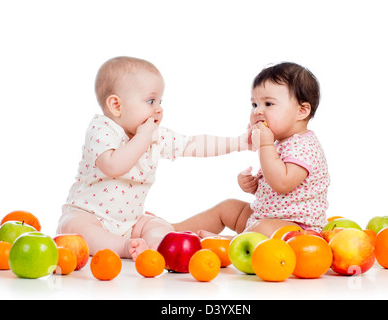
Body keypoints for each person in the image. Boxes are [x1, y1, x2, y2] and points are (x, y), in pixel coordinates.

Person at [57, 56, 250, 259]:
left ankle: (158, 246)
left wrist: (239, 143)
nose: (158, 109)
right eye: (150, 101)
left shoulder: (154, 136)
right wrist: (143, 137)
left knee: (157, 224)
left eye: (160, 101)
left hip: (130, 223)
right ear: (116, 105)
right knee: (74, 226)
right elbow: (114, 166)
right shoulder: (102, 130)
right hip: (89, 216)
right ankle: (123, 247)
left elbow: (193, 144)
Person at [174, 62, 330, 238]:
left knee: (263, 229)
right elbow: (275, 187)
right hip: (262, 217)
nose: (257, 111)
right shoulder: (279, 142)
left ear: (302, 111)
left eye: (268, 104)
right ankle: (174, 229)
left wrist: (265, 145)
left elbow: (282, 184)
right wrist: (255, 186)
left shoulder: (305, 147)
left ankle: (226, 243)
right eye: (255, 104)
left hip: (296, 231)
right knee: (228, 207)